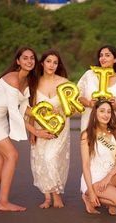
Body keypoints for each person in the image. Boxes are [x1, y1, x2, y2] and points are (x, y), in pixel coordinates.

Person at [0, 46, 53, 212]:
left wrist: (44, 114)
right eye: (25, 58)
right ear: (18, 61)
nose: (29, 61)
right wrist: (36, 132)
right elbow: (14, 112)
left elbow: (25, 108)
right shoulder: (12, 79)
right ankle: (3, 202)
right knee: (12, 155)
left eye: (32, 58)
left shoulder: (27, 82)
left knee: (1, 158)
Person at [29, 49, 70, 209]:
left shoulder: (64, 82)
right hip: (40, 127)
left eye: (55, 62)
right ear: (42, 63)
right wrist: (32, 130)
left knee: (51, 158)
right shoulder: (34, 82)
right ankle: (47, 197)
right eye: (48, 61)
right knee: (41, 159)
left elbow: (71, 108)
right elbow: (31, 108)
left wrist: (61, 111)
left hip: (59, 128)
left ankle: (56, 195)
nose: (52, 65)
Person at [80, 99, 116, 215]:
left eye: (109, 112)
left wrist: (108, 177)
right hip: (93, 179)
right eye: (102, 111)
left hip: (109, 177)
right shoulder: (87, 134)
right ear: (95, 113)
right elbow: (85, 165)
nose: (106, 115)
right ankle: (88, 197)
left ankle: (109, 200)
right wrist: (91, 190)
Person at [77, 45, 116, 132]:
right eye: (101, 55)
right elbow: (77, 95)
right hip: (89, 123)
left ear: (115, 59)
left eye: (107, 55)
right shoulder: (89, 74)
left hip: (111, 125)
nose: (103, 58)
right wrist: (89, 103)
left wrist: (114, 105)